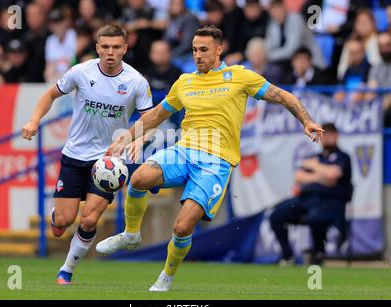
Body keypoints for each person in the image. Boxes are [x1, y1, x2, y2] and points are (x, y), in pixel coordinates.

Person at [96, 25, 324, 292]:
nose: (197, 55)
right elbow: (157, 115)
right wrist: (125, 138)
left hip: (216, 161)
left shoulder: (239, 76)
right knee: (139, 177)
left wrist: (306, 120)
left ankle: (166, 277)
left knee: (182, 227)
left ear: (219, 49)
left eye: (203, 50)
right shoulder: (185, 82)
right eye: (194, 50)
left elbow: (281, 96)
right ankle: (131, 234)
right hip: (184, 150)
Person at [21, 25, 154, 285]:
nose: (110, 52)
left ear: (125, 49)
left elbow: (150, 119)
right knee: (63, 221)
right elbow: (50, 94)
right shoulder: (81, 72)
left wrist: (140, 139)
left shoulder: (136, 81)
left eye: (116, 47)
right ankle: (56, 216)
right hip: (74, 155)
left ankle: (66, 270)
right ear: (97, 48)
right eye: (105, 47)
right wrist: (34, 120)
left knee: (90, 218)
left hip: (109, 162)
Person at [269, 123, 353, 266]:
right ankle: (288, 256)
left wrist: (314, 167)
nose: (327, 138)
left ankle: (318, 253)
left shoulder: (342, 157)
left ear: (337, 136)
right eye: (324, 134)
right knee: (277, 215)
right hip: (306, 198)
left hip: (329, 200)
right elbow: (299, 177)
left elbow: (333, 175)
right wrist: (322, 175)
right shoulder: (315, 156)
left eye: (331, 134)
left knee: (316, 217)